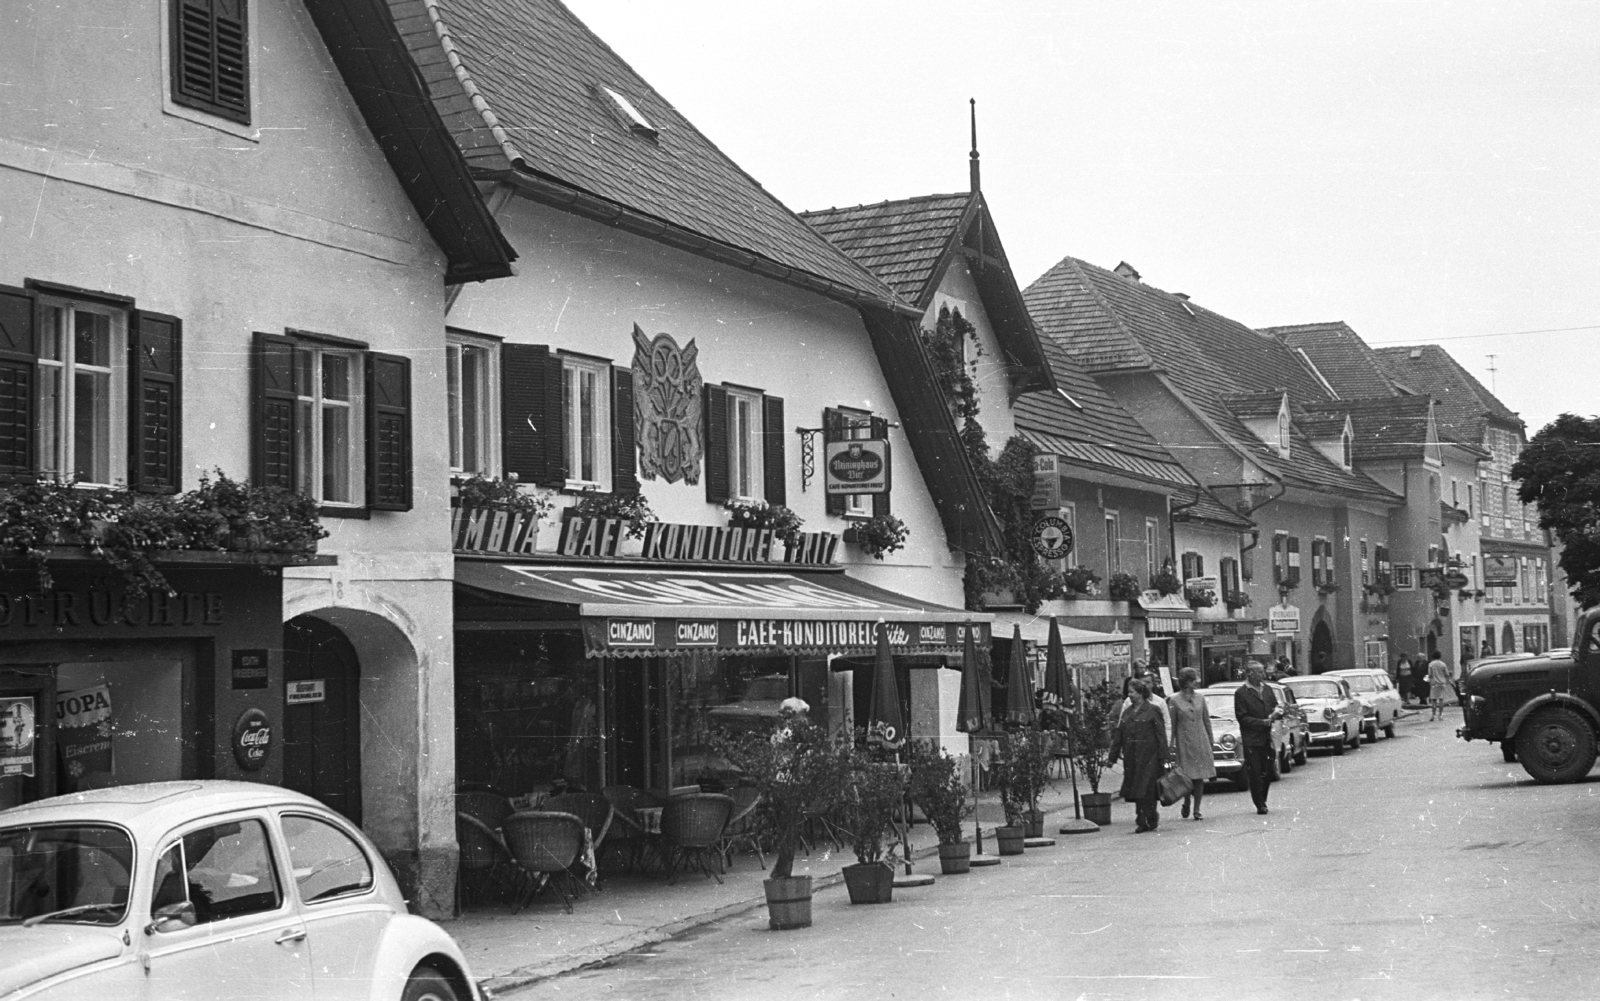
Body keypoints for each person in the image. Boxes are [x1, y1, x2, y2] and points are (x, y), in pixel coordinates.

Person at [1106, 679, 1169, 833]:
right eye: (1129, 692)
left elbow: (1161, 734)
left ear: (1141, 693)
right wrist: (1112, 757)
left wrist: (1164, 756)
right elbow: (1119, 735)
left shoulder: (1153, 710)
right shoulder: (1127, 712)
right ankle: (1142, 819)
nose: (1130, 695)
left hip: (1150, 757)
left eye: (1132, 692)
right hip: (1132, 757)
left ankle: (1149, 817)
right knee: (1136, 789)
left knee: (1147, 789)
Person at [1167, 667, 1216, 821]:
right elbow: (1172, 725)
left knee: (1200, 777)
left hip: (1200, 741)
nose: (1197, 682)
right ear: (1186, 682)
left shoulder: (1200, 698)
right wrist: (1171, 745)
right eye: (1194, 679)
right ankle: (1187, 801)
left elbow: (1206, 720)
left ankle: (1197, 809)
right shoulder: (1174, 700)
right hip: (1184, 742)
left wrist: (1211, 740)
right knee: (1186, 777)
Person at [1233, 662, 1281, 815]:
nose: (1263, 674)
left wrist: (1280, 711)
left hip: (1266, 737)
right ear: (1250, 674)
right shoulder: (1241, 693)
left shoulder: (1267, 689)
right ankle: (1260, 803)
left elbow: (1275, 705)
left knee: (1267, 770)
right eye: (1259, 672)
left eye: (1263, 671)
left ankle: (1263, 799)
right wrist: (1261, 722)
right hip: (1251, 739)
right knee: (1255, 772)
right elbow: (1242, 717)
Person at [1427, 652, 1454, 721]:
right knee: (1441, 699)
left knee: (1433, 700)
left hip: (1434, 683)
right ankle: (1440, 715)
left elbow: (1430, 674)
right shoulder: (1443, 664)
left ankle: (1433, 715)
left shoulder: (1431, 664)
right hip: (1442, 683)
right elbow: (1447, 674)